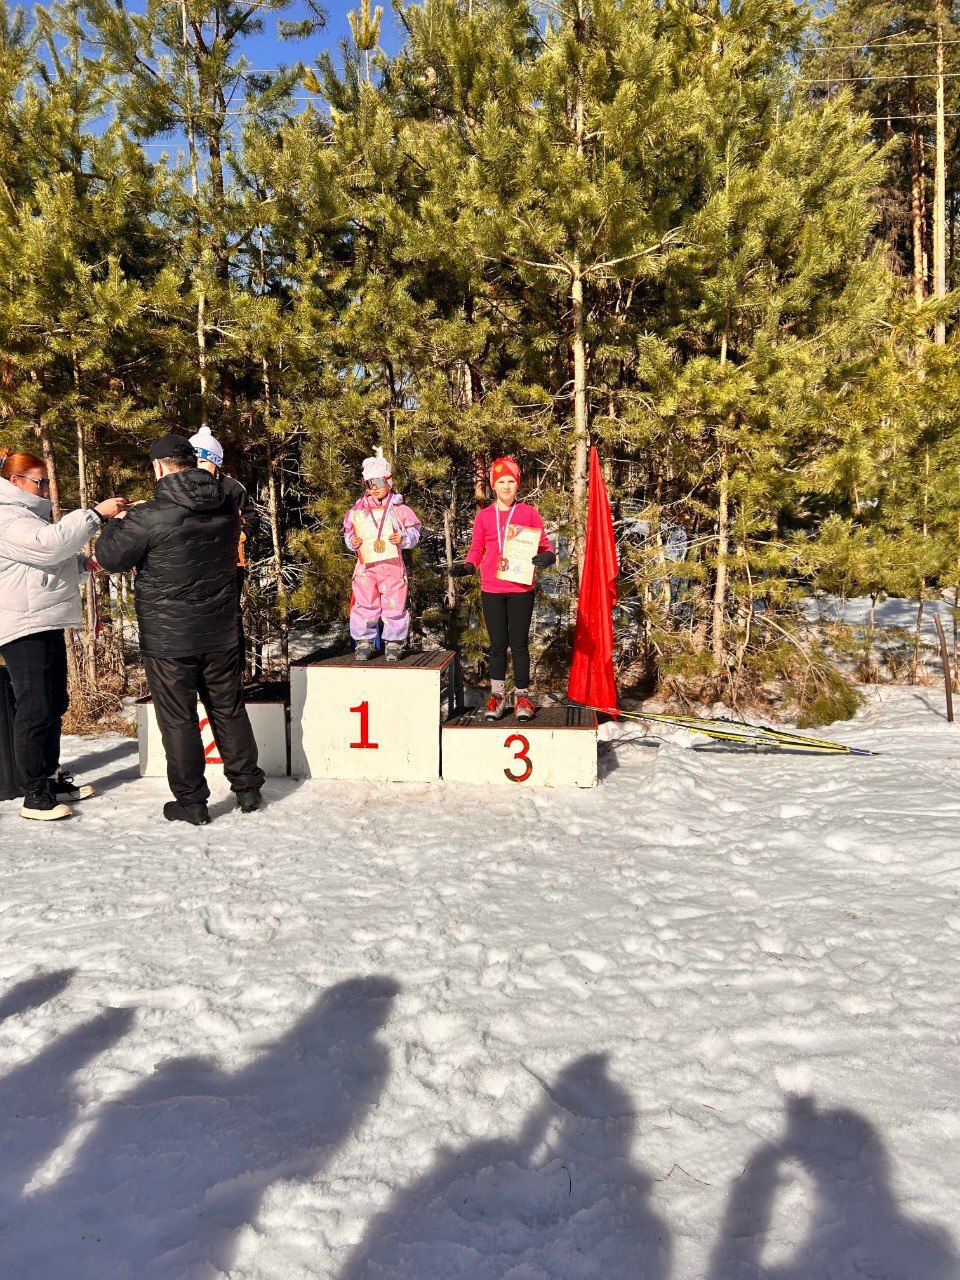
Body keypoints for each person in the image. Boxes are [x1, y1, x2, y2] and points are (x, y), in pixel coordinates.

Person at [95, 434, 265, 826]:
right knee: (228, 707)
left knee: (178, 718)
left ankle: (192, 802)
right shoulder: (227, 504)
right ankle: (247, 789)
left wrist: (115, 523)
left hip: (169, 636)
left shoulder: (148, 514)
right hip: (220, 627)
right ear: (193, 461)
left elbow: (110, 558)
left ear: (158, 466)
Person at [0, 447, 127, 820]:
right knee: (35, 707)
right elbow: (48, 546)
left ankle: (51, 778)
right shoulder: (7, 517)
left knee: (54, 703)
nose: (45, 489)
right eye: (39, 482)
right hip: (22, 624)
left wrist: (82, 565)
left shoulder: (24, 515)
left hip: (43, 617)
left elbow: (46, 558)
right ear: (15, 482)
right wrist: (94, 515)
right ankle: (34, 793)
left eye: (46, 482)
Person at [450, 456, 555, 722]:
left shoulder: (528, 512)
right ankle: (496, 696)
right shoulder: (485, 516)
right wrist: (469, 567)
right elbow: (477, 549)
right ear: (493, 486)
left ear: (517, 484)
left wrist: (547, 557)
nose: (506, 487)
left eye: (511, 481)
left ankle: (523, 697)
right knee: (497, 645)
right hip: (492, 588)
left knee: (519, 645)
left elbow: (544, 544)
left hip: (520, 588)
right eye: (501, 482)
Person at [189, 426, 260, 673]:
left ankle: (235, 673)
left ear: (215, 462)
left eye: (202, 461)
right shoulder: (183, 489)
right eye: (194, 461)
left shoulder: (232, 488)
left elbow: (252, 518)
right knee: (197, 619)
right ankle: (202, 675)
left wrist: (240, 535)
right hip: (195, 566)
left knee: (230, 618)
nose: (198, 467)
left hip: (230, 564)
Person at [343, 449, 422, 661]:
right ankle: (364, 640)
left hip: (392, 566)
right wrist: (352, 542)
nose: (375, 487)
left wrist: (403, 539)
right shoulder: (358, 511)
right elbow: (349, 534)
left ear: (389, 480)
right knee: (364, 601)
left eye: (378, 481)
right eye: (370, 483)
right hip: (366, 567)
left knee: (394, 601)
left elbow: (415, 531)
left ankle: (394, 641)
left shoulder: (400, 508)